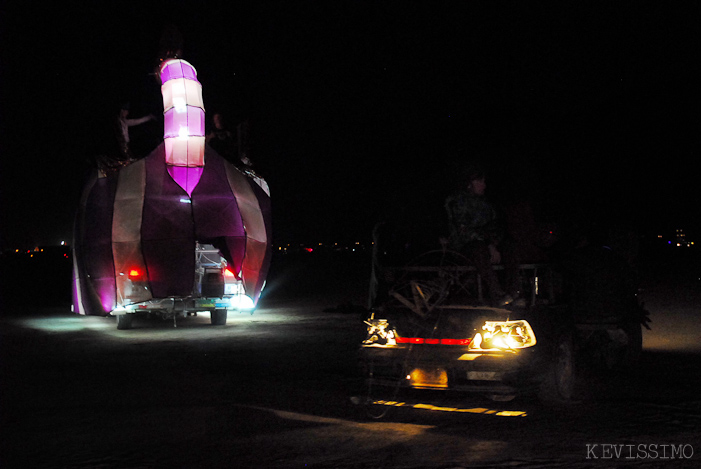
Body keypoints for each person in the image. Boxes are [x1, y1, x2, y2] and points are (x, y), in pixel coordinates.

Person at [444, 165, 518, 306]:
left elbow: (495, 226)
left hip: (487, 244)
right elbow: (463, 231)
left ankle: (513, 292)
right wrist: (488, 245)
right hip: (464, 247)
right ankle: (497, 294)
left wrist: (494, 243)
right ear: (469, 184)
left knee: (509, 246)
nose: (484, 185)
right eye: (480, 181)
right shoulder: (457, 201)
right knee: (478, 248)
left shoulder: (486, 204)